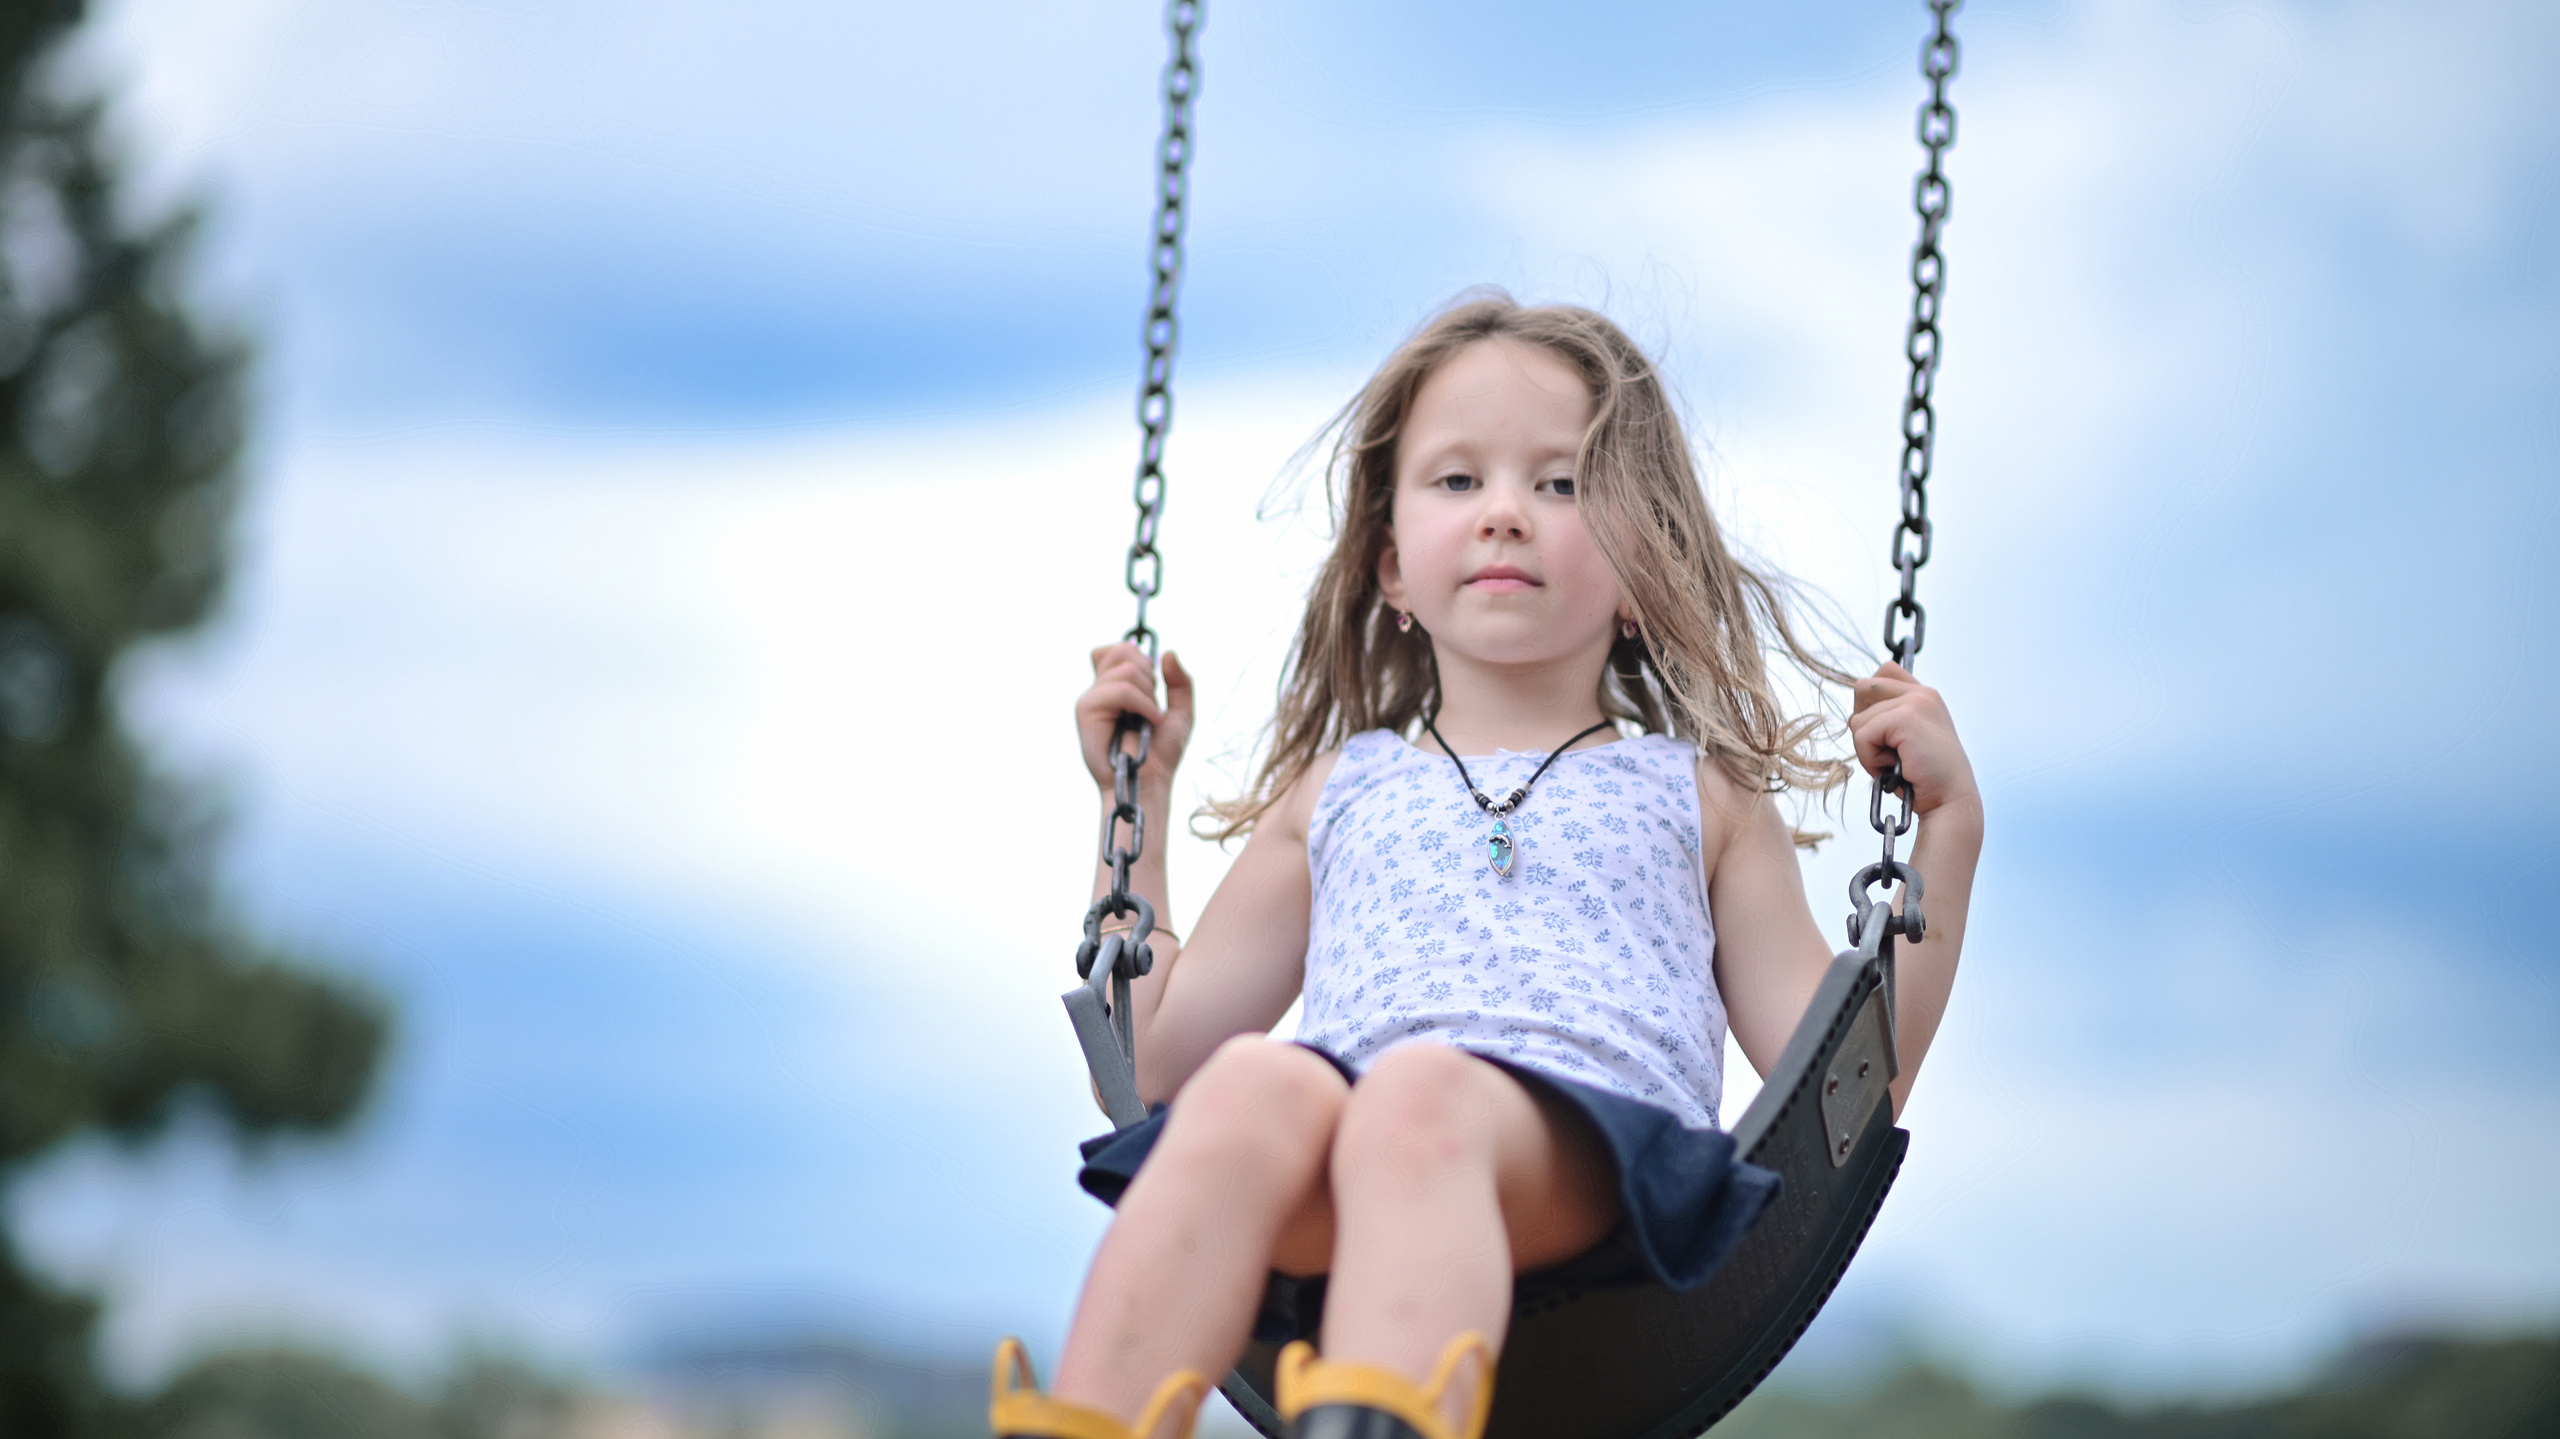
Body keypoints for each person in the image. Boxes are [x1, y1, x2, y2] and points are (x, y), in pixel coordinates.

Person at [993, 296, 1982, 1439]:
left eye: (1560, 484)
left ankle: (1381, 1420)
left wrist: (1943, 831)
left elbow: (1845, 1081)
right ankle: (1092, 1421)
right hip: (1350, 1178)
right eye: (1457, 481)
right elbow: (1162, 1058)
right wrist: (1138, 810)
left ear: (1638, 561)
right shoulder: (1335, 794)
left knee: (1422, 1089)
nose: (1505, 512)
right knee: (1254, 1087)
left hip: (1601, 1187)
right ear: (1391, 567)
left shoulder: (1696, 795)